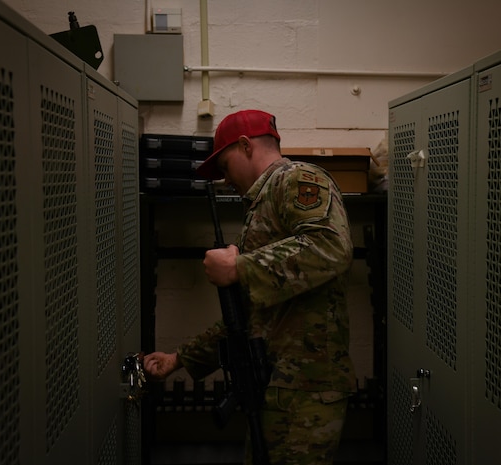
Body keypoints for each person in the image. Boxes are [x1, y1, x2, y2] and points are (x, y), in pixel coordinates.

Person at [144, 109, 356, 465]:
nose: (225, 180)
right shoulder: (260, 207)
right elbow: (245, 316)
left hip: (306, 387)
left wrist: (239, 266)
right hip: (277, 383)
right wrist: (179, 359)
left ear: (245, 146)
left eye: (224, 167)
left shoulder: (297, 178)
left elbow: (331, 247)